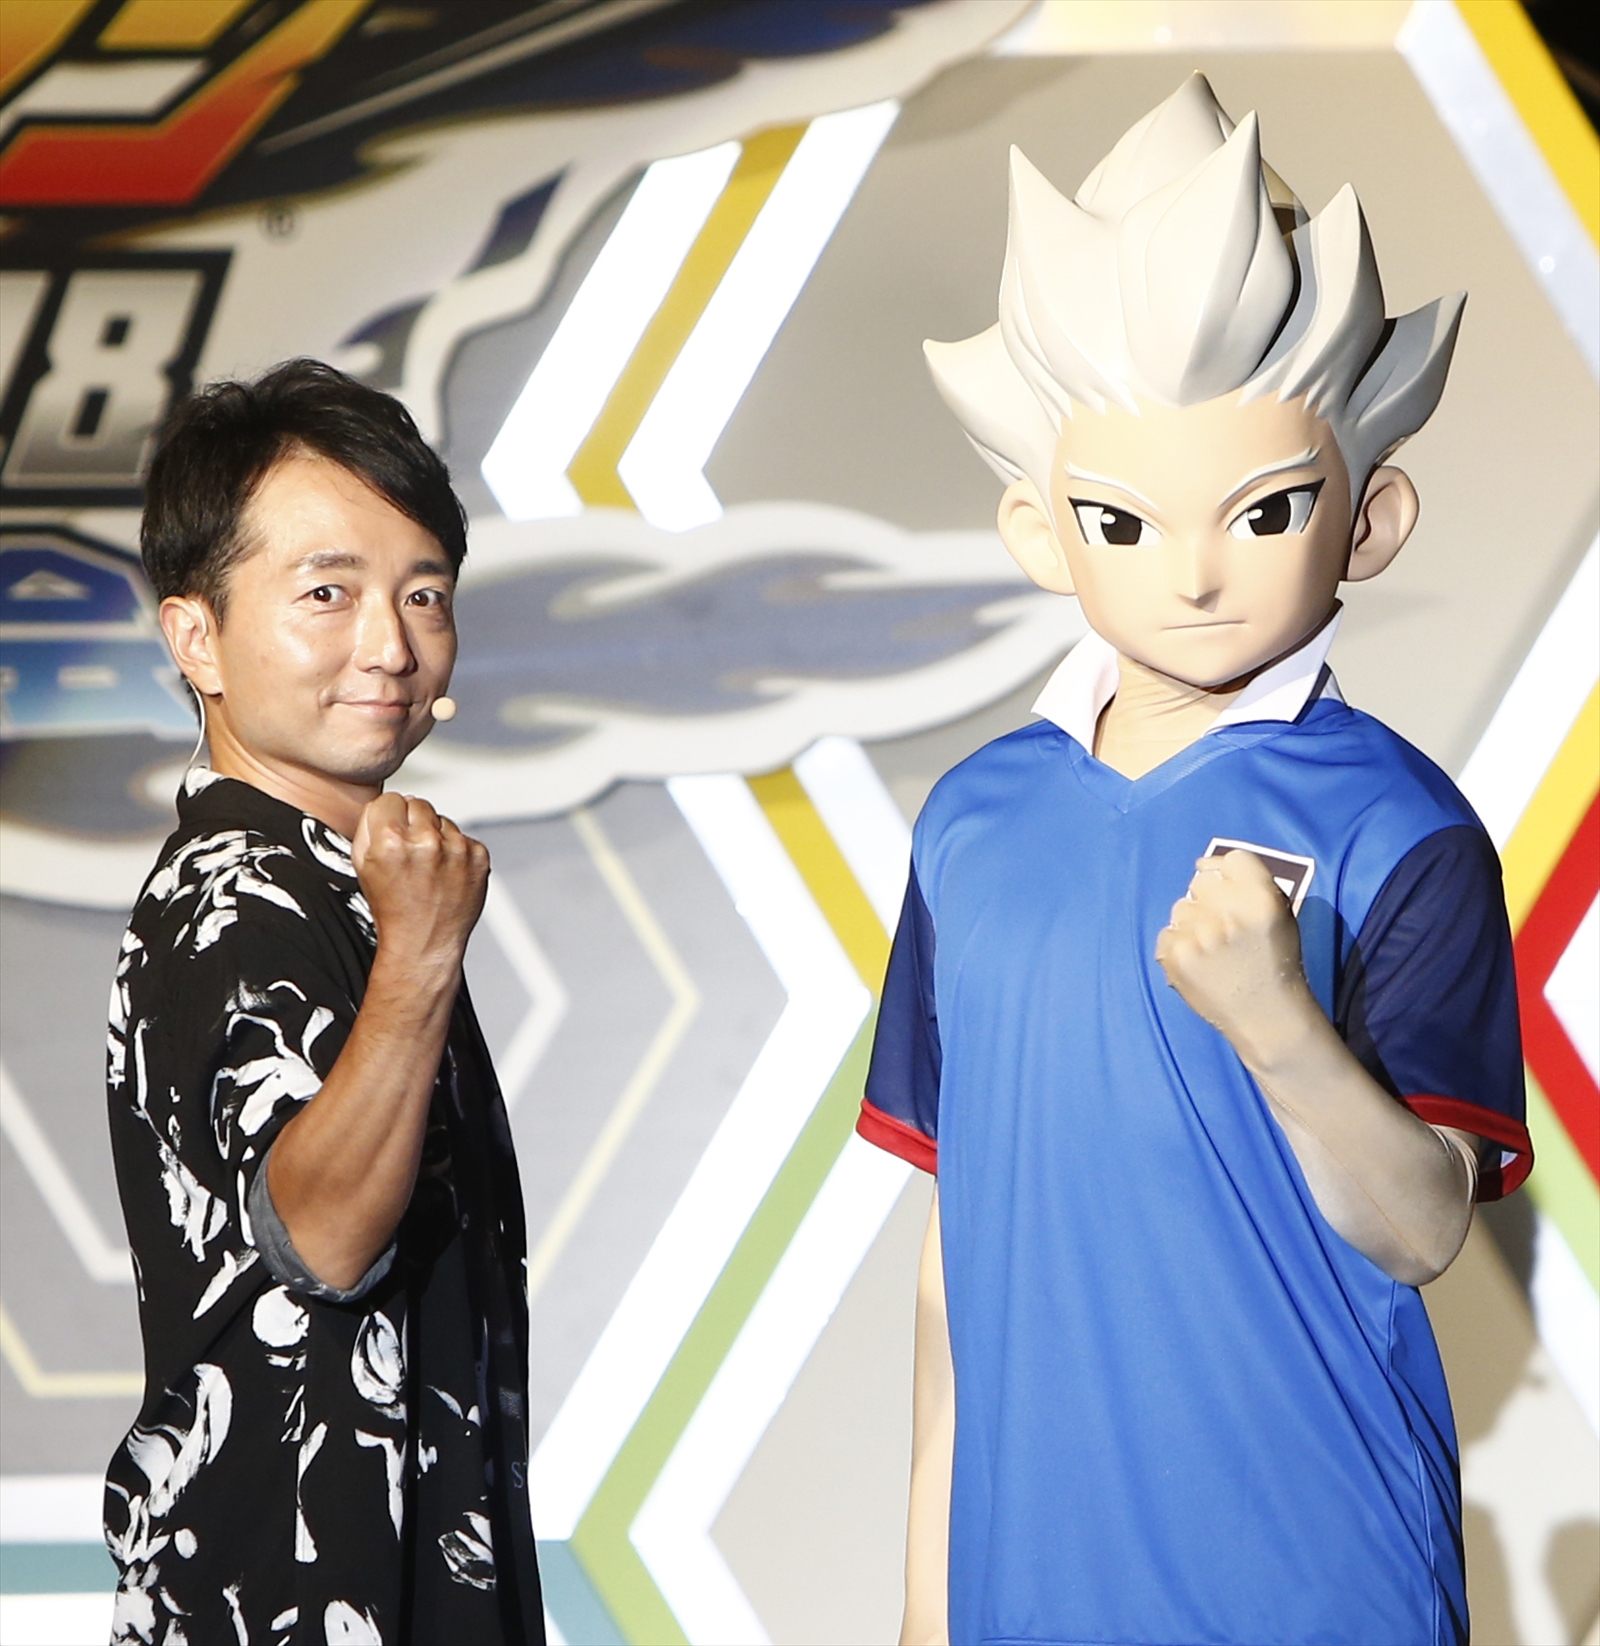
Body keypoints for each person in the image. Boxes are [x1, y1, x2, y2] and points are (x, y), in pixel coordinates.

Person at [858, 75, 1531, 1646]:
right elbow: (957, 1249)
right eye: (1125, 521)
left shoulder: (1402, 827)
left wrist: (1279, 1024)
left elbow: (1425, 1225)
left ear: (1371, 516)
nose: (1200, 573)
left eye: (1267, 509)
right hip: (1026, 1594)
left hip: (1321, 1586)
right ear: (1043, 529)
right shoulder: (974, 820)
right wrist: (925, 1603)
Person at [104, 360, 543, 1644]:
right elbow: (323, 1236)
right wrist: (421, 956)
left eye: (424, 593)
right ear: (197, 637)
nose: (391, 645)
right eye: (327, 593)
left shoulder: (335, 879)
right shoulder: (236, 892)